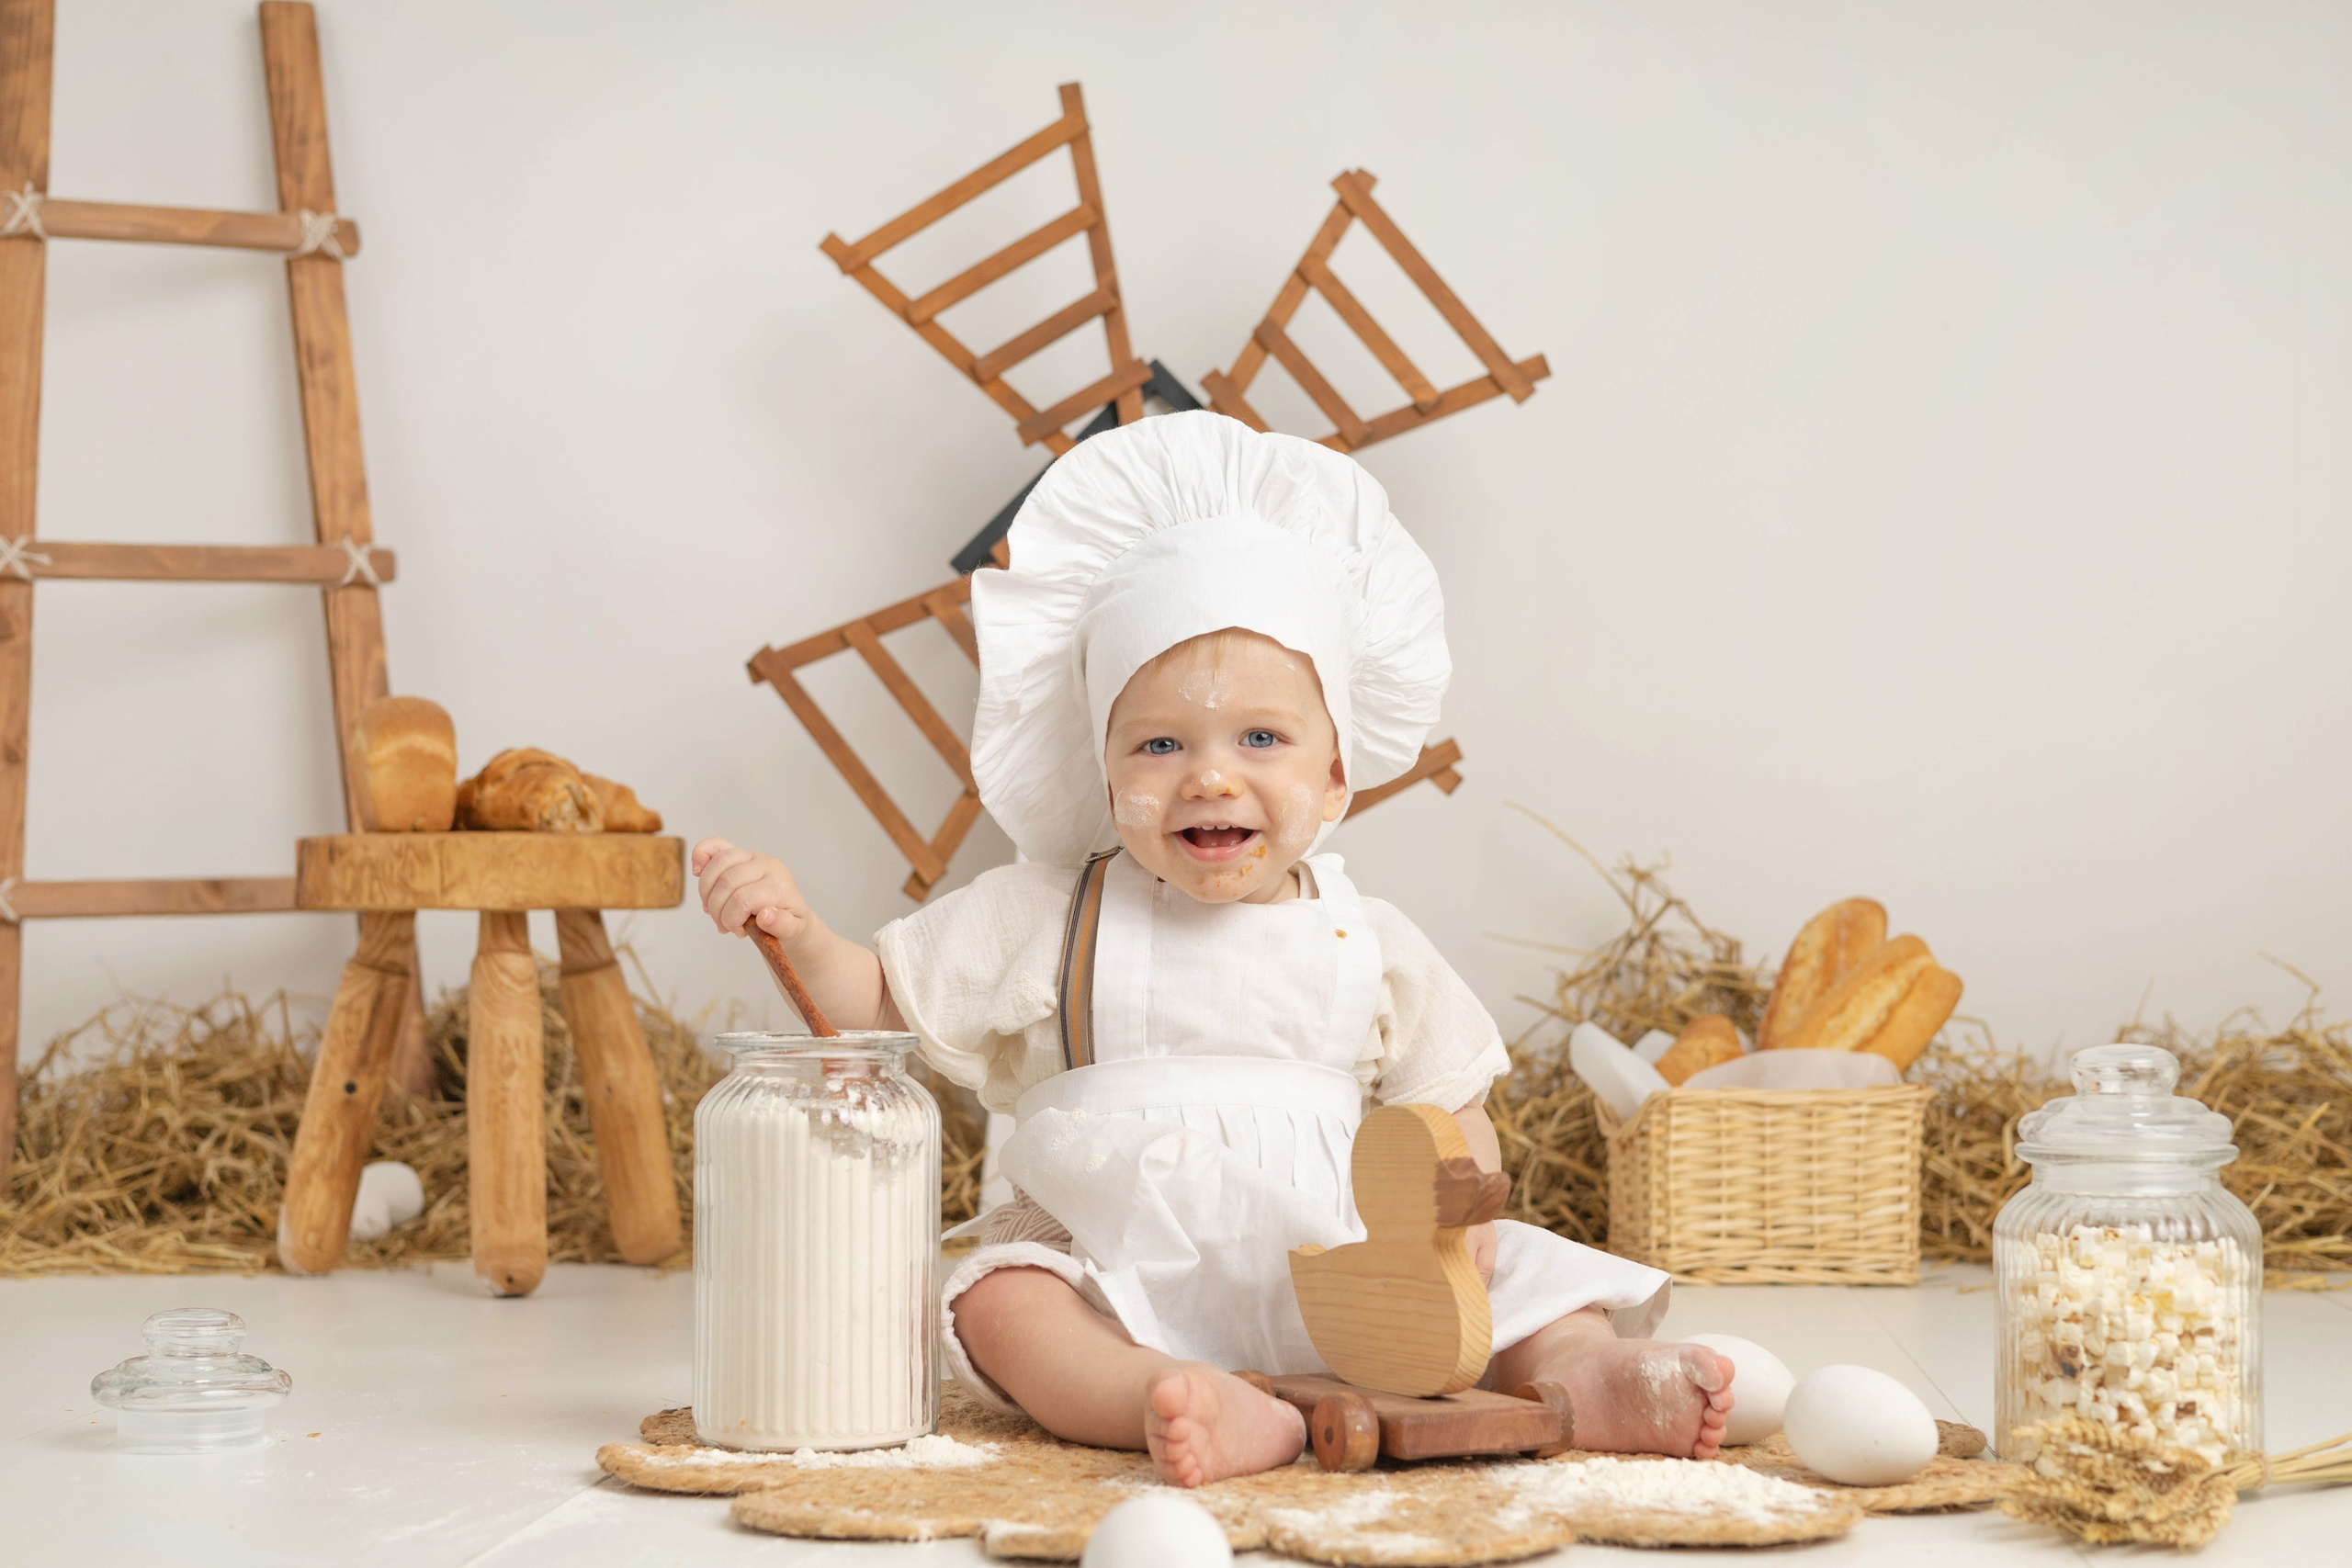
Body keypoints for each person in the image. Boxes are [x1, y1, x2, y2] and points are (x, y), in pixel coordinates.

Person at [694, 412, 1732, 1486]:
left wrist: (1452, 1226)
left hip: (1352, 1270)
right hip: (1122, 1262)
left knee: (1522, 1281)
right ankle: (1172, 1399)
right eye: (1159, 743)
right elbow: (877, 1006)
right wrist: (800, 933)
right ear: (1103, 776)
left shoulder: (1369, 940)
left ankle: (1583, 1376)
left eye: (1261, 739)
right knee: (999, 1301)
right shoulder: (1051, 911)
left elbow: (1447, 1101)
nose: (1210, 776)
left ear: (1336, 778)